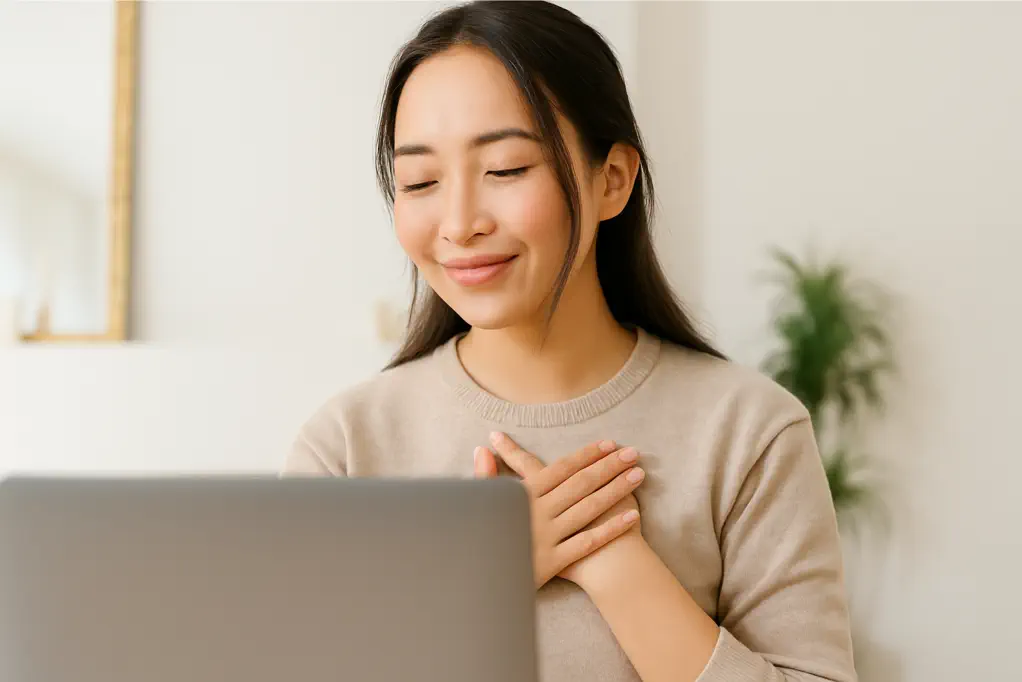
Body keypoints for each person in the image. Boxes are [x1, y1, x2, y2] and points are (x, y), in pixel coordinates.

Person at [283, 2, 857, 681]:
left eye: (505, 169)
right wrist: (482, 575)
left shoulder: (748, 431)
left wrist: (615, 563)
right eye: (421, 182)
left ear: (611, 179)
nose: (459, 223)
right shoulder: (347, 446)